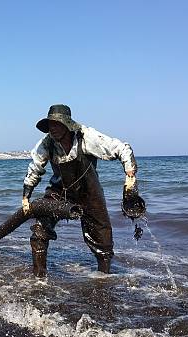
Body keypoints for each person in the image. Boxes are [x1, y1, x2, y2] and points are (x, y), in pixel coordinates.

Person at [22, 104, 138, 276]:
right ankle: (39, 278)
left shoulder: (87, 137)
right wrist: (26, 196)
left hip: (89, 193)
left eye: (56, 124)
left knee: (102, 243)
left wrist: (130, 174)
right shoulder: (46, 143)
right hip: (59, 191)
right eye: (50, 125)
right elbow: (35, 168)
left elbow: (122, 148)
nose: (52, 129)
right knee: (40, 230)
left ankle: (103, 280)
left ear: (67, 124)